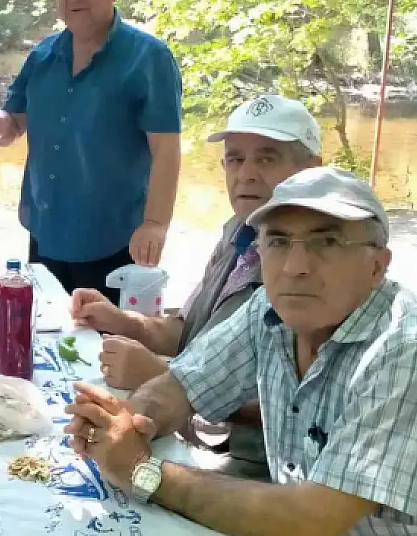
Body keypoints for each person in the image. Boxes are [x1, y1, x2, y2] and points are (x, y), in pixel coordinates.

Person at [65, 167, 417, 536]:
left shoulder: (413, 353)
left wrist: (142, 471)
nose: (295, 266)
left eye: (326, 241)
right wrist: (125, 423)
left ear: (378, 266)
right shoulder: (270, 309)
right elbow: (181, 384)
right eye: (278, 241)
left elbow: (313, 517)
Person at [71, 94, 322, 479]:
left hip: (254, 465)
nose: (247, 174)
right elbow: (190, 330)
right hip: (188, 430)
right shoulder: (240, 231)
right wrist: (126, 322)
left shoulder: (317, 271)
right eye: (235, 158)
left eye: (267, 158)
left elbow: (306, 407)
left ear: (312, 171)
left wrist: (161, 375)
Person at [0, 0, 182, 299]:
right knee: (51, 335)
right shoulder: (43, 55)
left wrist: (155, 224)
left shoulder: (149, 58)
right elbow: (14, 125)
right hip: (46, 229)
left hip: (114, 238)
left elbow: (167, 150)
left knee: (103, 345)